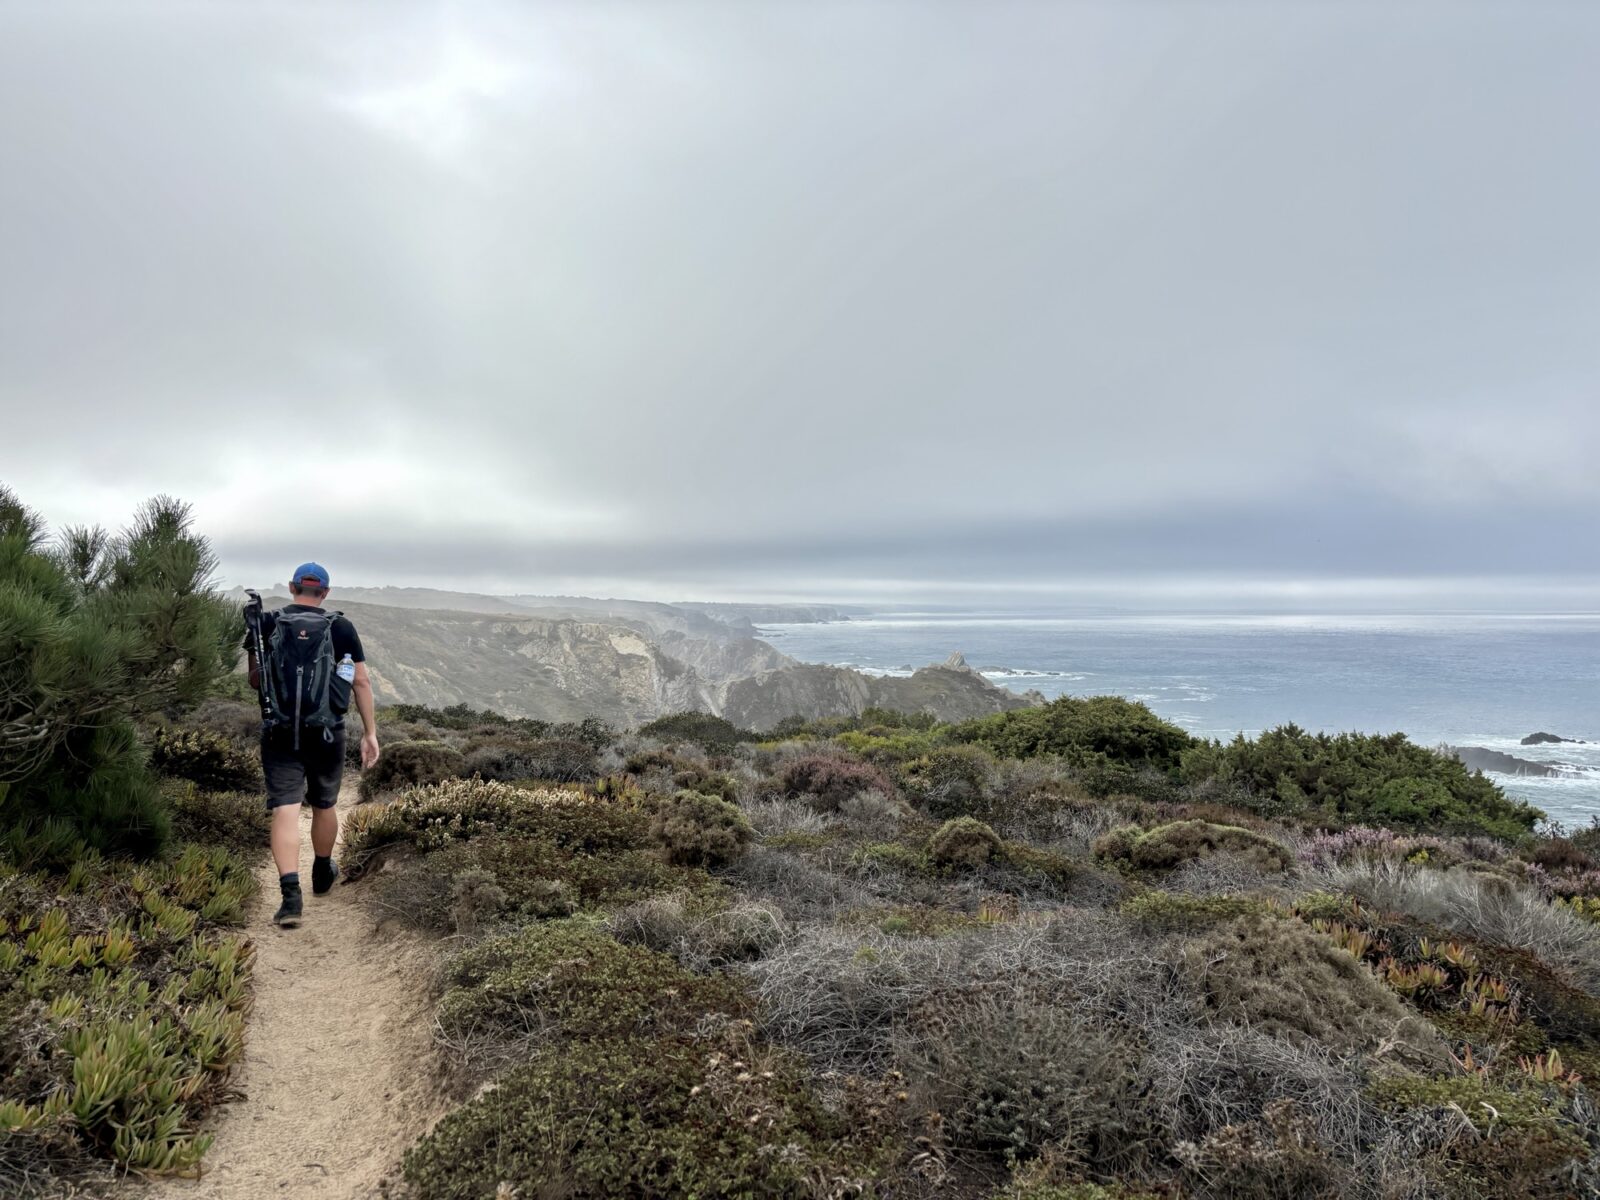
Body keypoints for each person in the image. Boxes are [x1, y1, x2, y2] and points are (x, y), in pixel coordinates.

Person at [245, 563, 380, 926]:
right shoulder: (340, 627)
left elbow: (256, 681)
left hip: (278, 732)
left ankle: (290, 899)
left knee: (285, 810)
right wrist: (370, 733)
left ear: (292, 588)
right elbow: (361, 683)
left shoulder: (266, 623)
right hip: (327, 733)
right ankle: (322, 873)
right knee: (324, 804)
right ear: (325, 592)